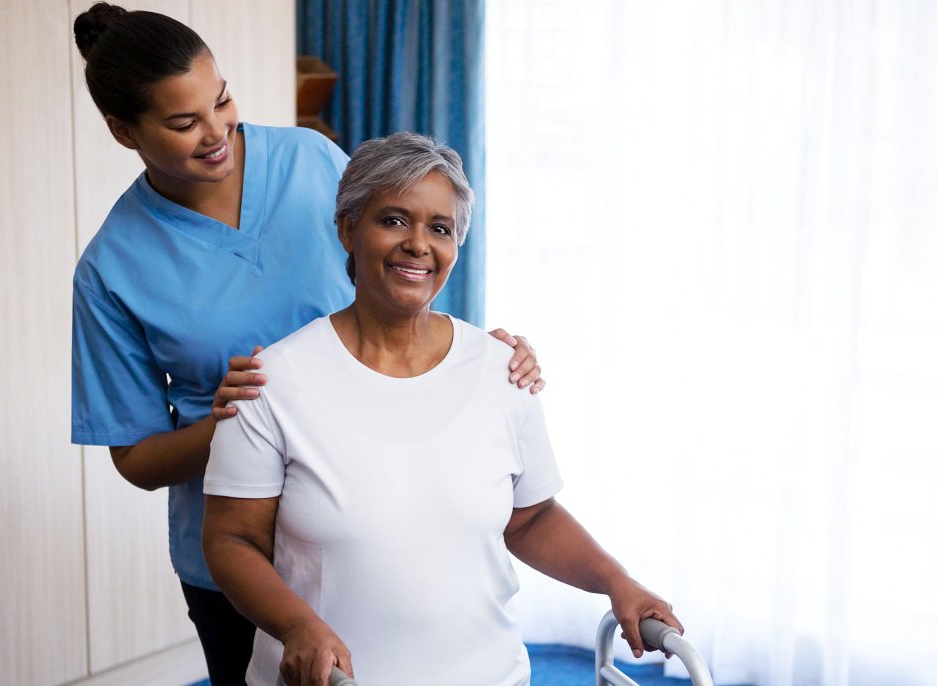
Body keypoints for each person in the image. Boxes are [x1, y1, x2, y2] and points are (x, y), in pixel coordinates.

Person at [68, 6, 545, 683]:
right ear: (123, 131)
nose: (217, 132)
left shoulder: (311, 161)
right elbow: (137, 459)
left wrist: (470, 352)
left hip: (380, 524)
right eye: (183, 123)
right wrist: (243, 420)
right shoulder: (111, 267)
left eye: (222, 98)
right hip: (241, 554)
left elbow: (403, 267)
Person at [203, 132, 680, 686]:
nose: (418, 244)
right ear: (348, 229)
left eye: (440, 228)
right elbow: (231, 541)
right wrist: (296, 624)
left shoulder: (502, 371)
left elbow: (530, 519)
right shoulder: (273, 381)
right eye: (394, 220)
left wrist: (616, 580)